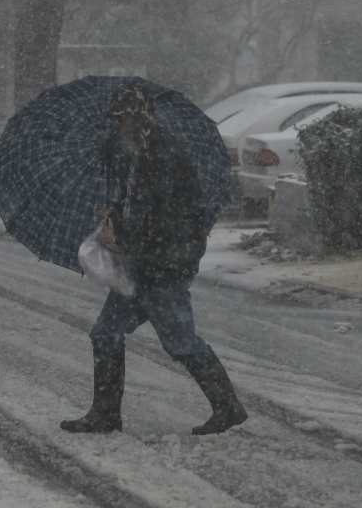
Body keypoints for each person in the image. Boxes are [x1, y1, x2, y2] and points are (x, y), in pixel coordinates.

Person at [60, 85, 247, 436]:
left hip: (164, 267)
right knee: (106, 332)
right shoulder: (137, 154)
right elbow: (137, 205)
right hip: (142, 265)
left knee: (181, 342)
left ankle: (228, 407)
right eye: (113, 119)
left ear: (138, 118)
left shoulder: (164, 155)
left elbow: (165, 219)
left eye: (121, 119)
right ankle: (105, 415)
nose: (115, 126)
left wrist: (122, 238)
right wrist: (115, 211)